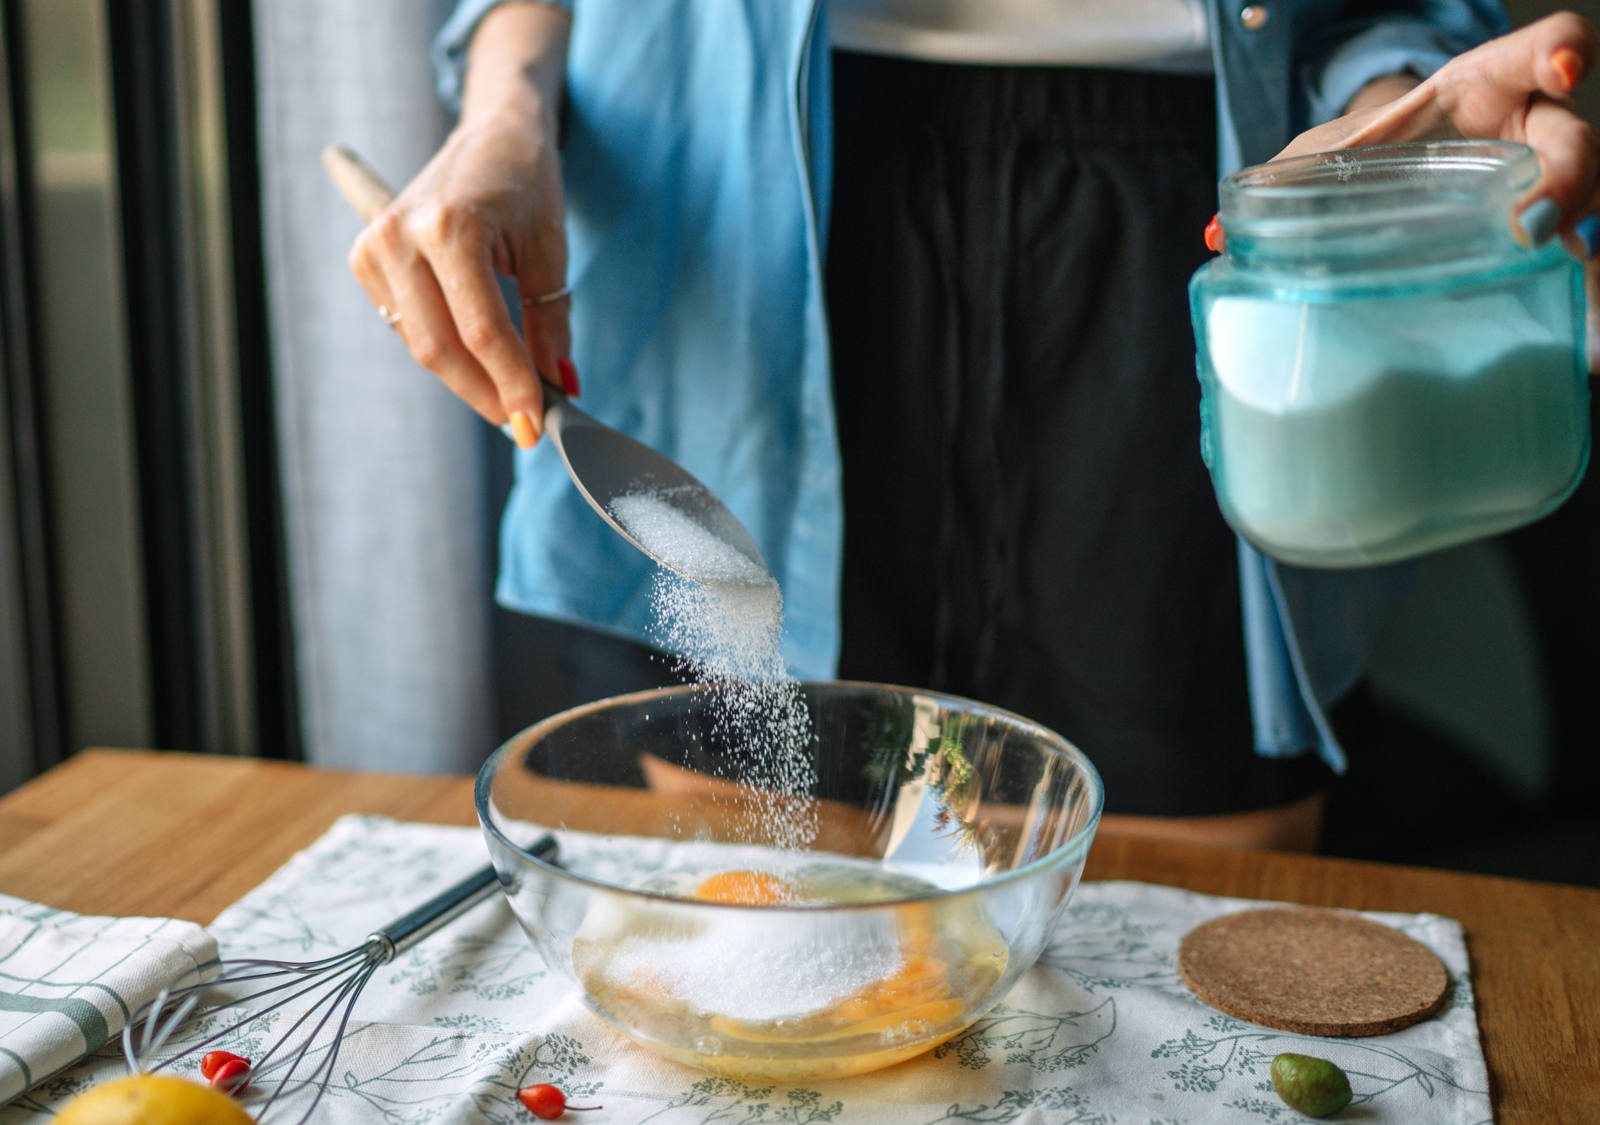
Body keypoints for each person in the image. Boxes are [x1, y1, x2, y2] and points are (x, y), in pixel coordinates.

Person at [347, 0, 1600, 847]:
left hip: (1186, 226)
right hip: (724, 226)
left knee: (1176, 979)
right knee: (764, 948)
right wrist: (504, 112)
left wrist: (1402, 137)